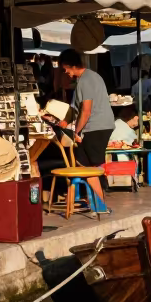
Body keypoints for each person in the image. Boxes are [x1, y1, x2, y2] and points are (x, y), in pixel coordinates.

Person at [55, 49, 116, 209]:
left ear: (70, 65)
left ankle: (100, 203)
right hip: (100, 125)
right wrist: (65, 121)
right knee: (86, 163)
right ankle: (97, 201)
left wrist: (76, 131)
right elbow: (77, 108)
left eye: (65, 68)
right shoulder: (91, 77)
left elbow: (86, 110)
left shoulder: (86, 80)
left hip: (95, 126)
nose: (65, 72)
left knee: (90, 165)